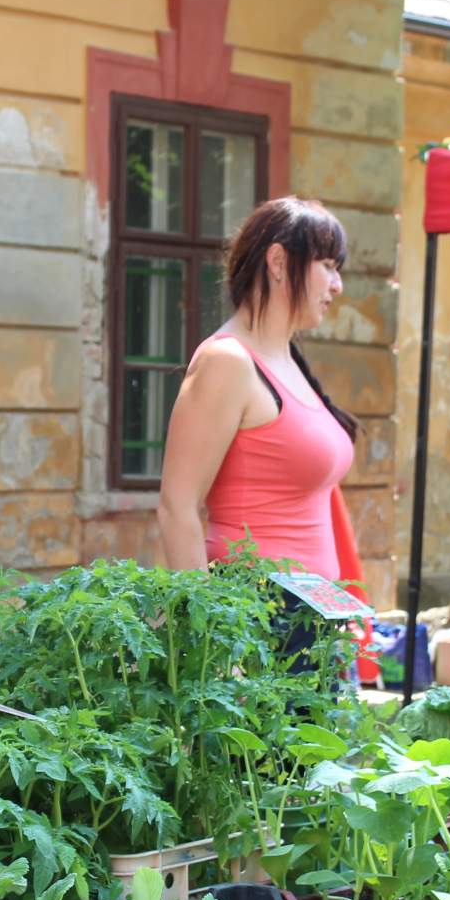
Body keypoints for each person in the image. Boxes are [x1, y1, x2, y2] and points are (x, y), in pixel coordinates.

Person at [156, 198, 360, 666]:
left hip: (315, 617)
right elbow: (176, 508)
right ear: (278, 261)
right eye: (327, 265)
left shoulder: (287, 361)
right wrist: (212, 647)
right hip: (256, 618)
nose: (337, 284)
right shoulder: (227, 362)